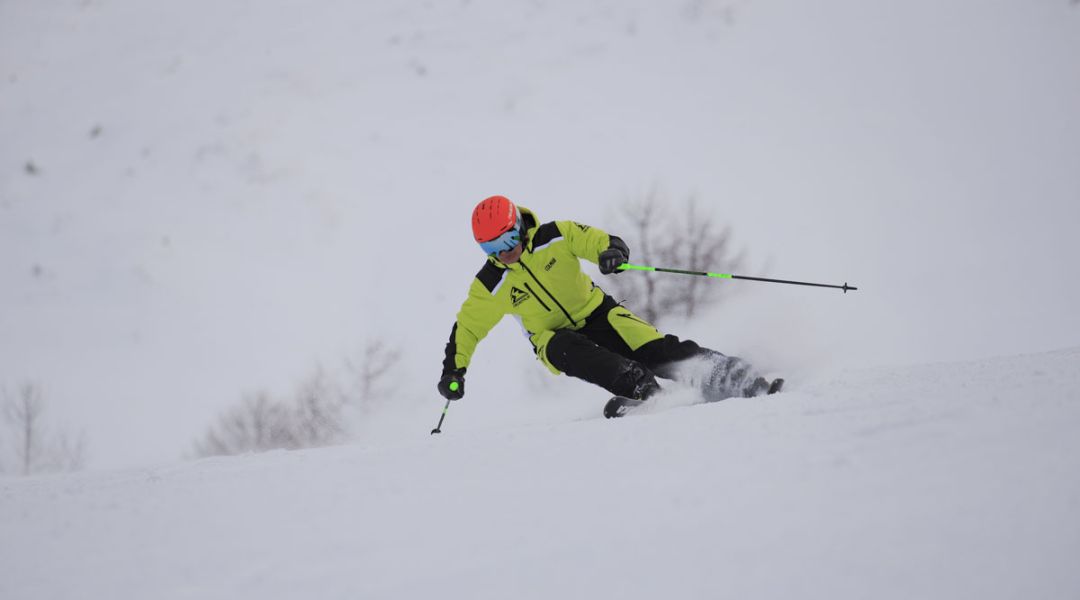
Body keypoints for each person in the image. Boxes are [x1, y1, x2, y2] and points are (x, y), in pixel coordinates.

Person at [437, 195, 781, 418]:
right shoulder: (491, 283)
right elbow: (467, 328)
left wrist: (611, 252)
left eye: (508, 238)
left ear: (518, 226)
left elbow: (596, 240)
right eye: (491, 247)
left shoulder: (555, 235)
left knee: (654, 348)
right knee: (566, 347)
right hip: (553, 338)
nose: (504, 251)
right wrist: (454, 371)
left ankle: (730, 375)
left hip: (597, 312)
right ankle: (643, 390)